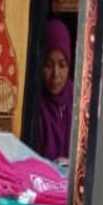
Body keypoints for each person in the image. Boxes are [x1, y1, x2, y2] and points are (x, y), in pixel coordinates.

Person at [34, 18, 73, 163]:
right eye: (48, 65)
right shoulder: (34, 105)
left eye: (62, 65)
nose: (55, 74)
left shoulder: (78, 102)